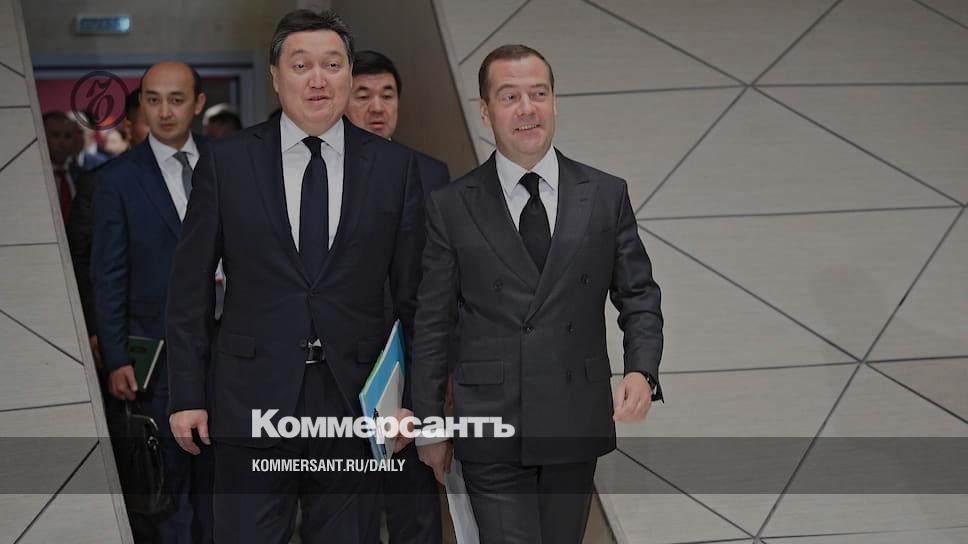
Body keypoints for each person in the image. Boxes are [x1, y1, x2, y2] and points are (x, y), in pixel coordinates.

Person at [165, 10, 426, 543]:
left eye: (332, 65)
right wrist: (186, 393)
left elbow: (415, 298)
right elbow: (190, 287)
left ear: (348, 74)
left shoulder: (394, 168)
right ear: (275, 76)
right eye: (301, 65)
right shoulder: (227, 162)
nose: (317, 79)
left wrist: (414, 399)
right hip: (249, 399)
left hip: (354, 406)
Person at [412, 44, 664, 543]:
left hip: (574, 414)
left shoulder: (605, 193)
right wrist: (429, 424)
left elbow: (638, 294)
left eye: (539, 94)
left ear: (554, 102)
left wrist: (642, 369)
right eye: (510, 97)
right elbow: (433, 324)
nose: (527, 109)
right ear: (485, 111)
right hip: (490, 423)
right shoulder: (451, 206)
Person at [91, 61, 213, 543]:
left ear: (197, 104)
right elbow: (108, 274)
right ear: (141, 104)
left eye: (176, 100)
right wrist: (116, 356)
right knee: (168, 485)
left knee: (225, 483)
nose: (164, 111)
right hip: (155, 355)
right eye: (153, 99)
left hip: (232, 349)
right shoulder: (117, 180)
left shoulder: (231, 163)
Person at [346, 49, 446, 544]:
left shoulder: (430, 173)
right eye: (362, 95)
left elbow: (440, 278)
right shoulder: (322, 174)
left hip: (409, 366)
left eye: (387, 95)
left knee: (414, 510)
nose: (376, 107)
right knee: (349, 512)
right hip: (340, 365)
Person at [68, 88, 149, 348]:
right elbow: (81, 260)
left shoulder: (200, 175)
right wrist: (95, 328)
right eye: (150, 122)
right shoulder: (98, 182)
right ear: (130, 127)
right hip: (126, 327)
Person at [43, 111, 106, 222]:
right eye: (55, 135)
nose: (62, 142)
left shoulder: (83, 174)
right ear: (42, 137)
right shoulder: (36, 176)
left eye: (67, 136)